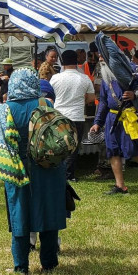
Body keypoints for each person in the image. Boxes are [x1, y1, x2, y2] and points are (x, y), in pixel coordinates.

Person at [0, 69, 67, 275]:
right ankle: (49, 264)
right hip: (48, 168)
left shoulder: (4, 110)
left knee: (20, 214)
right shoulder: (46, 105)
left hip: (17, 170)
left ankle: (21, 266)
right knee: (48, 213)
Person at [91, 48, 138, 195]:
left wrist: (135, 94)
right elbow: (104, 101)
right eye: (99, 55)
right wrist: (98, 122)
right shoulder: (106, 73)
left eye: (102, 55)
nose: (100, 58)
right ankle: (120, 186)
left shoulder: (132, 69)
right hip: (112, 117)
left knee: (131, 150)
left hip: (128, 115)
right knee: (113, 151)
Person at [50, 50, 96, 182]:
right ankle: (69, 175)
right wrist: (81, 100)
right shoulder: (84, 78)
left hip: (59, 115)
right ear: (77, 62)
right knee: (73, 147)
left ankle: (57, 173)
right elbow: (91, 98)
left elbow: (50, 96)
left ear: (62, 62)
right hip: (77, 115)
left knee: (59, 145)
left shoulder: (55, 78)